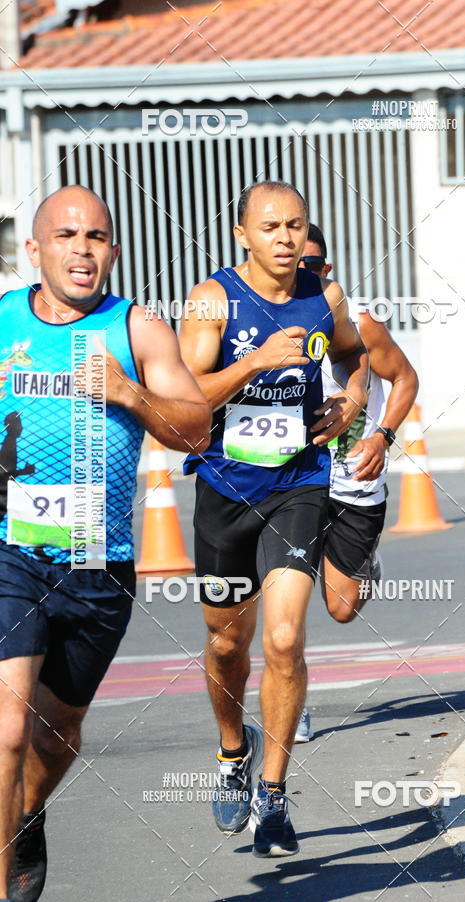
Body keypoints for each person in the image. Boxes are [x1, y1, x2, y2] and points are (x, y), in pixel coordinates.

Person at [0, 185, 211, 902]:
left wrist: (129, 394)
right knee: (6, 725)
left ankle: (26, 815)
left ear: (113, 251)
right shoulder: (1, 323)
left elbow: (195, 431)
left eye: (95, 237)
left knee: (55, 735)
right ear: (35, 250)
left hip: (99, 563)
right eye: (65, 236)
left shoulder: (140, 328)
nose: (81, 249)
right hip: (11, 550)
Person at [179, 181, 368, 857]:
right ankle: (234, 750)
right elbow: (183, 391)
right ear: (242, 235)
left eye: (295, 224)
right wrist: (254, 362)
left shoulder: (325, 294)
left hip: (300, 482)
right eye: (270, 226)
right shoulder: (212, 299)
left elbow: (355, 355)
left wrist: (352, 402)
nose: (285, 238)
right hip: (225, 489)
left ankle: (275, 795)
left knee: (284, 639)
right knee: (228, 645)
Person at [294, 223, 418, 743]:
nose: (302, 271)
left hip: (354, 478)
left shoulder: (359, 324)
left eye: (313, 264)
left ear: (328, 270)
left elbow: (405, 378)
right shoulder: (255, 322)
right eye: (293, 262)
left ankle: (368, 563)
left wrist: (383, 438)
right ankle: (291, 701)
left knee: (341, 608)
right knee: (288, 593)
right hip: (292, 479)